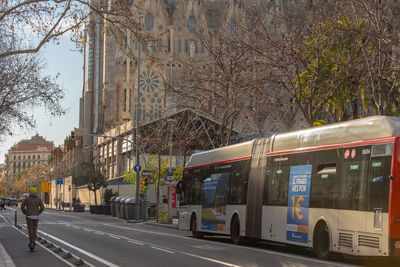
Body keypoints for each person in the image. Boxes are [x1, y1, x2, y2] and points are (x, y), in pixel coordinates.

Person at [21, 188, 45, 252]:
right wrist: (38, 212)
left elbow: (22, 206)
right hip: (36, 216)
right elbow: (42, 207)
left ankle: (31, 243)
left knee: (30, 230)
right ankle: (33, 243)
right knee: (34, 230)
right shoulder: (38, 199)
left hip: (29, 216)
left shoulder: (27, 199)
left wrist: (25, 212)